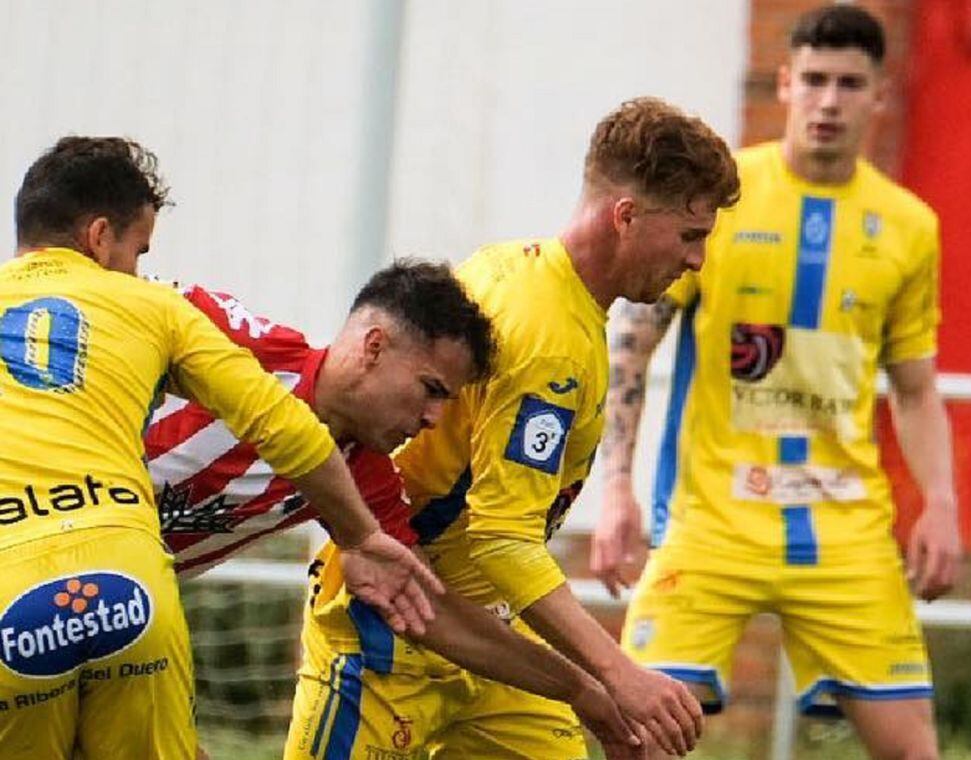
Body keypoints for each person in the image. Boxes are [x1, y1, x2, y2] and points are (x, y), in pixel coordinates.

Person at [289, 96, 741, 759]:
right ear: (626, 217)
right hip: (394, 626)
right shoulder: (547, 337)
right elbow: (503, 539)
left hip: (491, 645)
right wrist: (619, 675)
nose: (699, 260)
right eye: (691, 235)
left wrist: (594, 688)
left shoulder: (522, 269)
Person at [591, 6, 962, 759]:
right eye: (815, 81)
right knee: (642, 734)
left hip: (844, 527)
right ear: (786, 84)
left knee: (914, 750)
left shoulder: (910, 225)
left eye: (849, 84)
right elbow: (635, 341)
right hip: (711, 521)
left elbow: (916, 389)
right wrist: (617, 487)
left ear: (878, 96)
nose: (829, 101)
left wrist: (944, 503)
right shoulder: (724, 197)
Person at [0, 137, 440, 760]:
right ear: (100, 238)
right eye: (137, 251)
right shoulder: (156, 307)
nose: (139, 270)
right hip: (129, 580)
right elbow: (285, 425)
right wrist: (360, 536)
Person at [146, 262, 638, 757]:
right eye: (431, 390)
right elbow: (95, 290)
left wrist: (580, 688)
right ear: (374, 346)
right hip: (78, 555)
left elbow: (432, 611)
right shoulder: (237, 341)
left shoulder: (367, 478)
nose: (433, 419)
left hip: (129, 600)